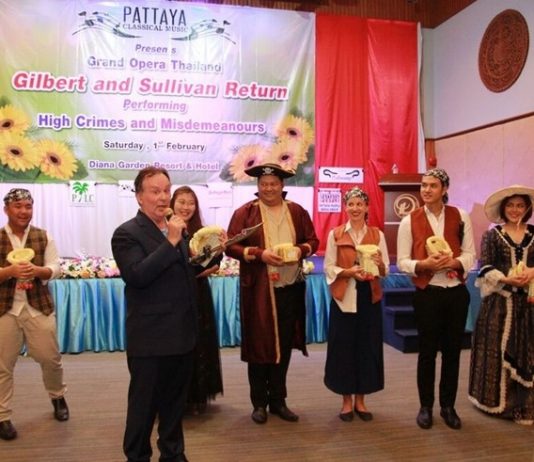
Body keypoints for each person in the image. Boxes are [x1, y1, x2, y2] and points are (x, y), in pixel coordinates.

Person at [111, 167, 220, 462]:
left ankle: (173, 454)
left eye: (166, 190)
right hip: (151, 340)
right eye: (155, 191)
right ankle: (137, 456)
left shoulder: (175, 229)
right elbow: (137, 275)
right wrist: (171, 241)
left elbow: (182, 272)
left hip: (183, 335)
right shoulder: (126, 233)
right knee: (143, 408)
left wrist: (214, 251)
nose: (163, 197)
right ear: (139, 197)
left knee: (174, 406)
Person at [226, 163, 319, 424]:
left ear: (282, 185)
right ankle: (259, 403)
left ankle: (278, 400)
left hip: (289, 287)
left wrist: (300, 250)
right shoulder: (246, 212)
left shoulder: (296, 211)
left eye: (273, 184)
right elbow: (230, 246)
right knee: (259, 347)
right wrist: (259, 254)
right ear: (258, 186)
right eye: (264, 184)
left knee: (284, 346)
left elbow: (313, 241)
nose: (268, 188)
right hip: (258, 291)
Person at [397, 168, 476, 430]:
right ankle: (426, 407)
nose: (426, 190)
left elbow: (470, 255)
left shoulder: (460, 216)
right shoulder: (409, 220)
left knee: (452, 352)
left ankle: (448, 407)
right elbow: (402, 262)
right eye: (423, 185)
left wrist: (454, 262)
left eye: (432, 185)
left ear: (444, 189)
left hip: (455, 293)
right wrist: (423, 265)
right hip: (427, 293)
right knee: (427, 353)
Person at [0, 188, 68, 441]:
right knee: (2, 365)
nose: (23, 211)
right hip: (5, 310)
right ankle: (2, 416)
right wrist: (10, 272)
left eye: (28, 206)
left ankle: (58, 396)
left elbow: (56, 268)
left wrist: (37, 271)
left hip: (38, 306)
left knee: (50, 358)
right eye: (18, 206)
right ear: (6, 209)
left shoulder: (43, 235)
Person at [468, 185, 534, 425]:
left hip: (529, 303)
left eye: (520, 205)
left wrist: (531, 272)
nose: (515, 210)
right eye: (511, 205)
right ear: (503, 209)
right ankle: (502, 404)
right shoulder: (492, 235)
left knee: (529, 350)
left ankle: (526, 404)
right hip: (500, 303)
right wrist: (507, 279)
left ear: (527, 209)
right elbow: (485, 266)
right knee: (497, 350)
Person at [323, 187, 389, 422]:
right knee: (344, 349)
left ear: (367, 207)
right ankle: (346, 401)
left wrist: (379, 264)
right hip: (345, 297)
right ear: (345, 207)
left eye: (359, 204)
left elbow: (385, 270)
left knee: (367, 348)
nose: (355, 208)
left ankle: (361, 400)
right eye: (351, 204)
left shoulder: (377, 235)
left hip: (369, 297)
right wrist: (348, 272)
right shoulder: (336, 234)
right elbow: (328, 267)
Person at [170, 186, 223, 414]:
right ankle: (175, 399)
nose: (186, 207)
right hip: (174, 298)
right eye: (181, 202)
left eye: (191, 203)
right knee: (177, 347)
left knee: (199, 344)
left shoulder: (202, 233)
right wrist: (198, 271)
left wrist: (219, 249)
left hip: (198, 295)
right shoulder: (165, 230)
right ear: (172, 204)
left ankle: (196, 397)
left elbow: (213, 264)